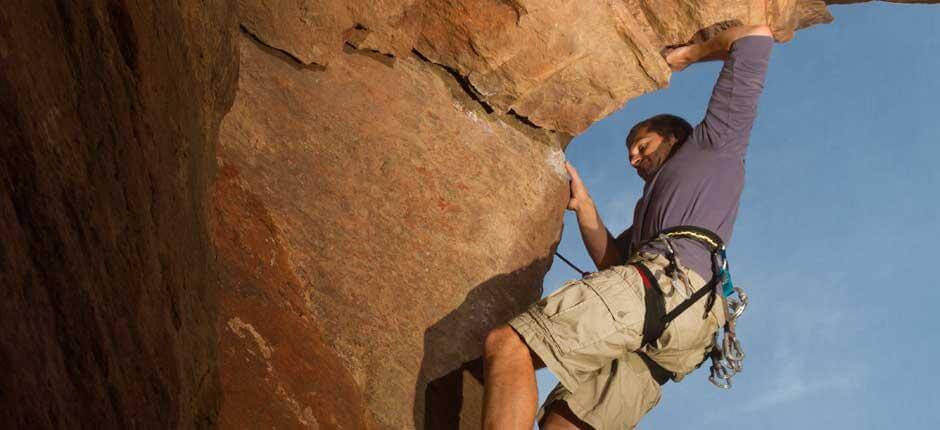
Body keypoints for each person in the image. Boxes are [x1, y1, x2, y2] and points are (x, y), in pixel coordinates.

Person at [481, 24, 777, 429]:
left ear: (674, 136)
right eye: (631, 155)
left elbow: (755, 38)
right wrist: (584, 207)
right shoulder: (651, 217)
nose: (633, 160)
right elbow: (614, 263)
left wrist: (689, 55)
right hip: (687, 326)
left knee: (510, 346)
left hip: (669, 286)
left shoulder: (713, 144)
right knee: (563, 424)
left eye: (642, 146)